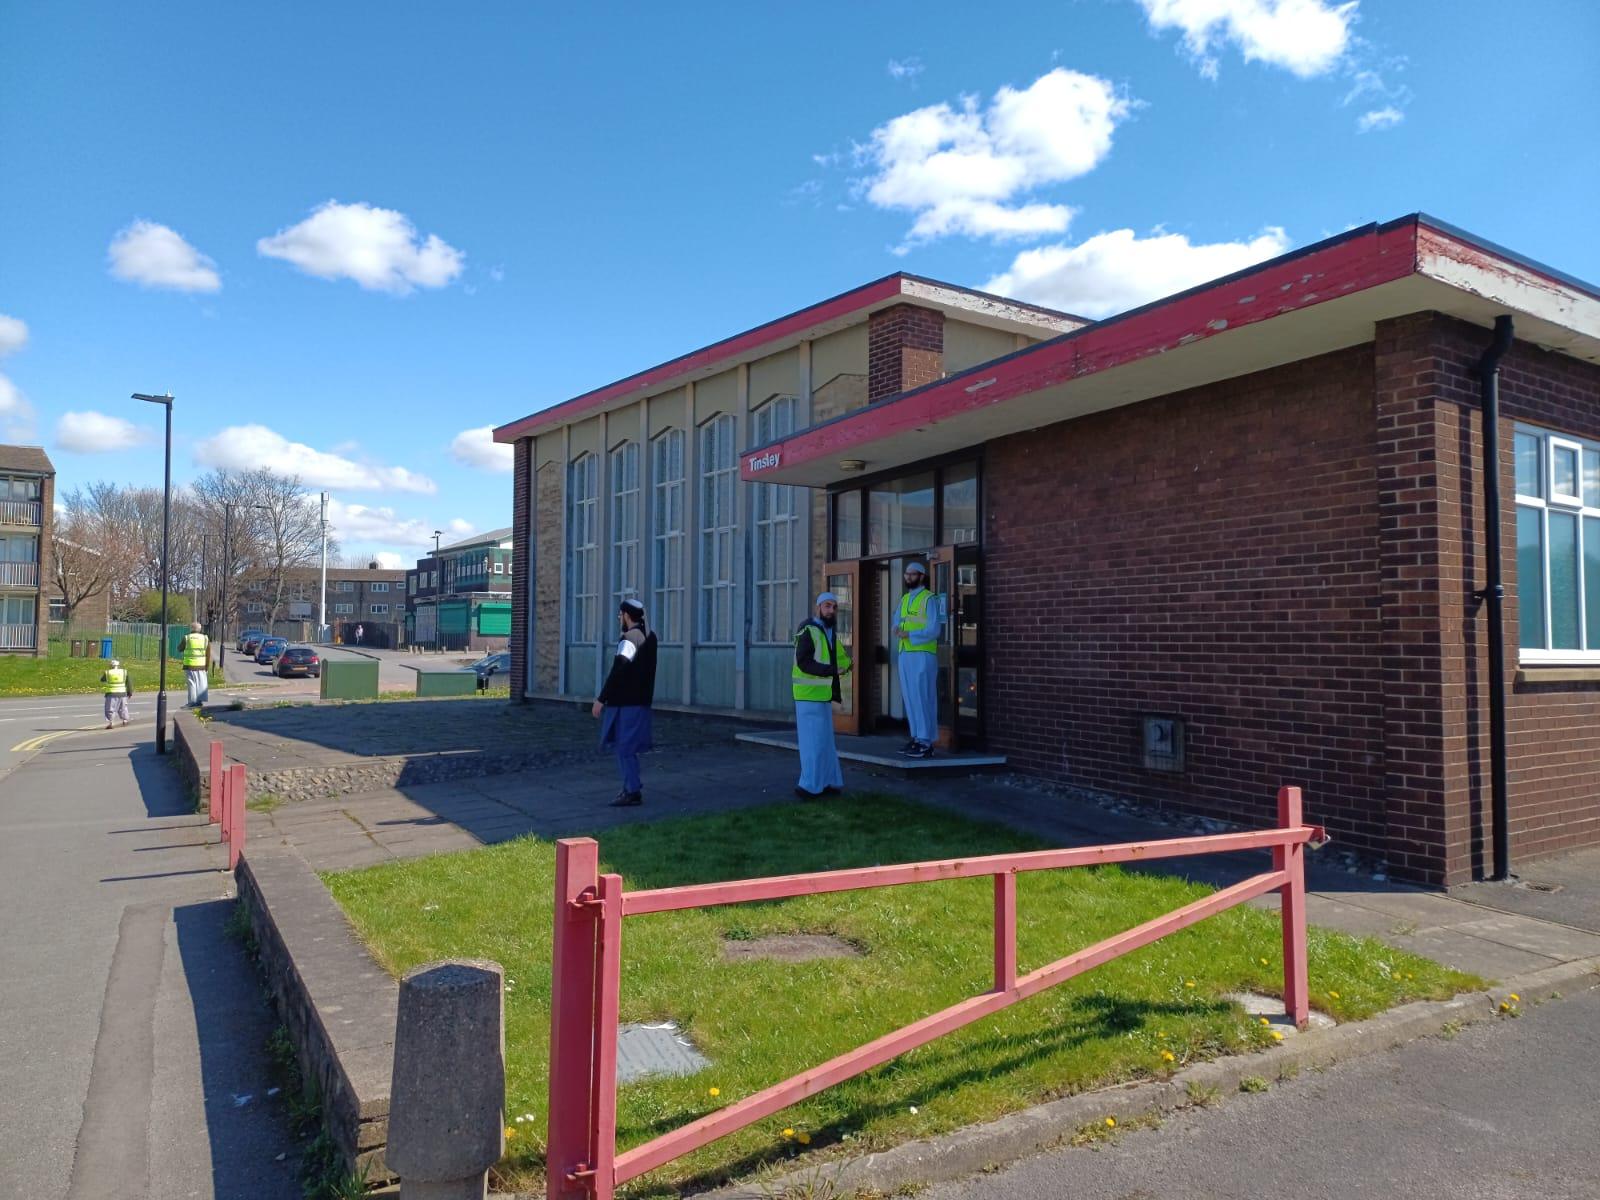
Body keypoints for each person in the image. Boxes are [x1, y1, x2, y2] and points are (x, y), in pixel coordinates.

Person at [592, 598, 658, 807]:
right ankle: (631, 786)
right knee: (627, 747)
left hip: (626, 703)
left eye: (620, 615)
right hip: (641, 701)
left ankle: (632, 790)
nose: (620, 618)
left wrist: (601, 699)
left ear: (627, 616)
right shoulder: (650, 636)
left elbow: (619, 668)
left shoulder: (629, 639)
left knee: (624, 748)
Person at [792, 590, 852, 800]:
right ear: (818, 608)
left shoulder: (829, 633)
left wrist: (848, 666)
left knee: (825, 743)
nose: (831, 610)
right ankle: (809, 787)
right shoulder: (808, 629)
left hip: (821, 696)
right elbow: (804, 662)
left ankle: (828, 783)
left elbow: (841, 658)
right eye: (827, 606)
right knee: (813, 744)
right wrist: (832, 670)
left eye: (834, 607)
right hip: (808, 696)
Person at [891, 561, 942, 758]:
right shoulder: (904, 599)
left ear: (921, 576)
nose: (908, 578)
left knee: (923, 696)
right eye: (906, 574)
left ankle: (926, 741)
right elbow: (897, 620)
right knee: (911, 697)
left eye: (912, 575)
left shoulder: (929, 599)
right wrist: (896, 628)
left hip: (922, 654)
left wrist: (909, 635)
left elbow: (934, 630)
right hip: (905, 653)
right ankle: (916, 737)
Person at [180, 621, 210, 708]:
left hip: (190, 665)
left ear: (191, 629)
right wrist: (207, 666)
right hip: (201, 665)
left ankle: (192, 702)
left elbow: (180, 648)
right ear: (200, 629)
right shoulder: (205, 638)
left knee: (192, 683)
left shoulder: (187, 638)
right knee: (201, 683)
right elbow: (208, 654)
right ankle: (199, 701)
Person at [100, 658, 131, 728]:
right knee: (123, 707)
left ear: (111, 665)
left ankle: (111, 722)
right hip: (122, 693)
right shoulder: (124, 672)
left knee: (110, 708)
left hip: (111, 693)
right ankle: (125, 720)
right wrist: (130, 692)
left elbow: (102, 679)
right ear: (118, 665)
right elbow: (129, 682)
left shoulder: (108, 672)